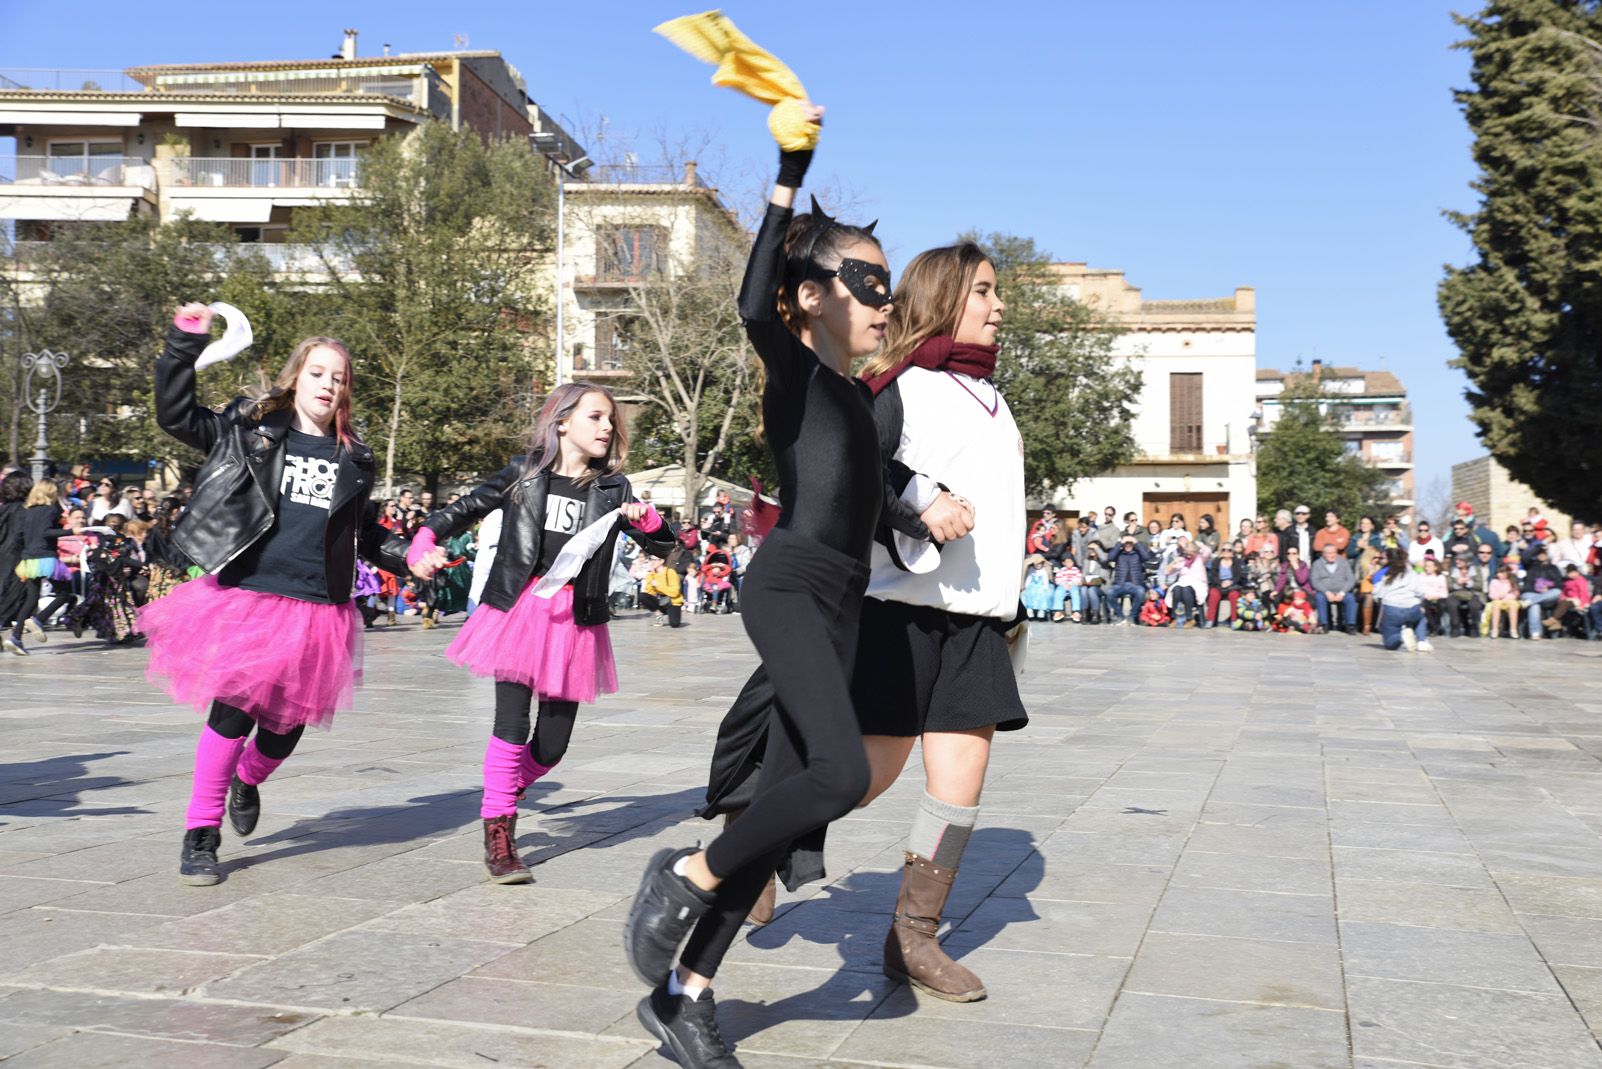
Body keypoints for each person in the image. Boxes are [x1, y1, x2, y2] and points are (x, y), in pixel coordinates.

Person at [139, 304, 409, 886]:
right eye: (318, 373)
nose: (329, 384)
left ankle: (250, 779)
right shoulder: (250, 428)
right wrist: (184, 341)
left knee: (284, 730)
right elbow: (175, 414)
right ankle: (201, 833)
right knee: (231, 715)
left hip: (319, 608)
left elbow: (364, 532)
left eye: (339, 377)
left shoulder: (354, 458)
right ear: (296, 378)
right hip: (249, 594)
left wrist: (408, 554)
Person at [409, 382, 676, 883]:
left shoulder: (614, 488)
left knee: (551, 745)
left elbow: (664, 545)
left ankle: (509, 788)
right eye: (596, 417)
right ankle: (499, 830)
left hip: (575, 622)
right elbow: (462, 509)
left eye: (610, 421)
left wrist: (650, 519)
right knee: (510, 725)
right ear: (562, 421)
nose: (606, 428)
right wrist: (422, 540)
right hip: (518, 610)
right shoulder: (524, 473)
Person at [5, 477, 66, 654]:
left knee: (31, 599)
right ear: (50, 492)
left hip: (29, 560)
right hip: (45, 557)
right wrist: (71, 531)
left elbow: (18, 537)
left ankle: (15, 638)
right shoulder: (50, 510)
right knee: (66, 594)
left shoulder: (26, 511)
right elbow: (46, 532)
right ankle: (39, 620)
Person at [1373, 547, 1431, 652]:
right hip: (1412, 607)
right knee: (1420, 619)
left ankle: (1401, 637)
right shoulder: (1411, 573)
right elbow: (1421, 591)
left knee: (1390, 643)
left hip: (1392, 609)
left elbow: (1377, 593)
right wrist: (1420, 604)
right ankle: (1422, 641)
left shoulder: (1385, 573)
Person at [1105, 532, 1152, 625]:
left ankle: (1131, 617)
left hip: (1135, 584)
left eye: (1130, 543)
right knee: (1110, 593)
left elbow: (1147, 557)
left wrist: (1136, 542)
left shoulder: (1137, 554)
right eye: (1126, 543)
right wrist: (1120, 543)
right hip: (1120, 584)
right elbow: (1110, 557)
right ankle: (1120, 616)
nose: (1128, 545)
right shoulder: (1119, 554)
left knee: (1141, 592)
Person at [1310, 542, 1357, 634]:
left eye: (1334, 552)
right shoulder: (1317, 564)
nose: (1332, 555)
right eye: (1329, 553)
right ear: (1323, 554)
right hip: (1325, 591)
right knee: (1319, 597)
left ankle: (1350, 625)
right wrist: (1326, 592)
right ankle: (1324, 624)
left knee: (1350, 598)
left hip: (1341, 591)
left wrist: (1342, 592)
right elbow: (1315, 581)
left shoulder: (1344, 563)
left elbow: (1351, 580)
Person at [1520, 546, 1564, 638]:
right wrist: (1538, 547)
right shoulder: (1531, 565)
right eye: (1539, 553)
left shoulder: (1553, 568)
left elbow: (1559, 584)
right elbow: (1525, 557)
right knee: (1535, 605)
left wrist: (1548, 588)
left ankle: (1529, 602)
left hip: (1548, 595)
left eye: (1544, 553)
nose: (1542, 555)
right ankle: (1535, 633)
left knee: (1557, 592)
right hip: (1531, 592)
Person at [1205, 544, 1245, 626]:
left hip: (1232, 585)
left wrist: (1231, 582)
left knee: (1234, 595)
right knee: (1213, 594)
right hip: (1218, 584)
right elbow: (1213, 575)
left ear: (1232, 552)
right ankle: (1210, 620)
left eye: (1229, 550)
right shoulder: (1216, 561)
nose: (1226, 552)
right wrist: (1220, 582)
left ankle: (1234, 620)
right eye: (1224, 550)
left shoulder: (1237, 561)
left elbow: (1239, 576)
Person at [641, 555, 685, 627]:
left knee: (674, 624)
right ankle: (658, 614)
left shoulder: (670, 572)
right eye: (651, 560)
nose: (652, 562)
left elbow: (675, 592)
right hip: (660, 601)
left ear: (662, 561)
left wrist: (658, 586)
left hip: (672, 602)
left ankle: (672, 613)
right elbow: (649, 593)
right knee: (642, 596)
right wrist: (650, 577)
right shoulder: (651, 574)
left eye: (654, 560)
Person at [1483, 565, 1521, 638]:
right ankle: (1495, 630)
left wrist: (1507, 597)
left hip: (1509, 600)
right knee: (1496, 605)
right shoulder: (1494, 582)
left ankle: (1513, 630)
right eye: (1498, 573)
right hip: (1497, 600)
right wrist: (1501, 596)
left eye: (1502, 573)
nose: (1499, 574)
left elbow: (1515, 594)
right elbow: (1492, 594)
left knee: (1513, 606)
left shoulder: (1512, 581)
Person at [1418, 557, 1450, 637]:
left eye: (1429, 566)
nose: (1427, 568)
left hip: (1438, 597)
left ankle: (1436, 625)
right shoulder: (1421, 576)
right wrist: (1426, 596)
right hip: (1425, 597)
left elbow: (1444, 593)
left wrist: (1437, 596)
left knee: (1441, 606)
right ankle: (1434, 628)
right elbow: (1419, 589)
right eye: (1426, 566)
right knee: (1425, 606)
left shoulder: (1440, 577)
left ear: (1435, 567)